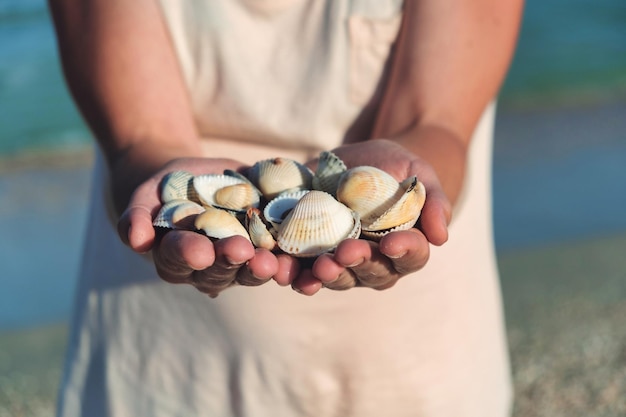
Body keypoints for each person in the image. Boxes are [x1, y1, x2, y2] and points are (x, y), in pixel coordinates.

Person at [49, 0, 523, 415]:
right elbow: (141, 134)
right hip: (165, 364)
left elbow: (433, 121)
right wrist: (159, 178)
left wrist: (408, 186)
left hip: (416, 362)